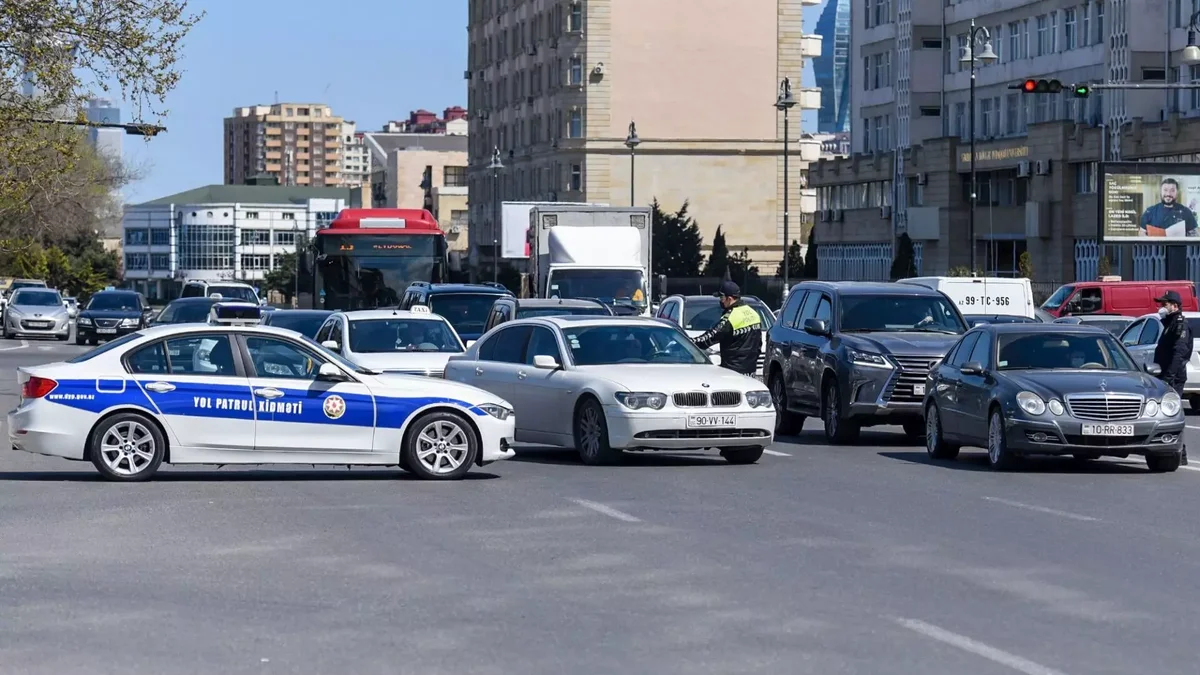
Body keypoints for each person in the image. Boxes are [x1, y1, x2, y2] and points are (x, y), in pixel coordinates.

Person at [1153, 290, 1192, 464]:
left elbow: (1179, 353)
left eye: (1164, 304)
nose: (1161, 307)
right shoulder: (1169, 323)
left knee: (1171, 414)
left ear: (1174, 306)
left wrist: (1169, 377)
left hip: (1173, 378)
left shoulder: (1180, 324)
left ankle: (1179, 453)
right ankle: (1170, 449)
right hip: (1165, 375)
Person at [693, 281, 762, 376]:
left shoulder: (730, 317)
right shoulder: (753, 314)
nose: (720, 301)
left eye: (722, 298)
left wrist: (688, 343)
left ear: (729, 299)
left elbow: (710, 337)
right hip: (750, 372)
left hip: (732, 372)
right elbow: (759, 345)